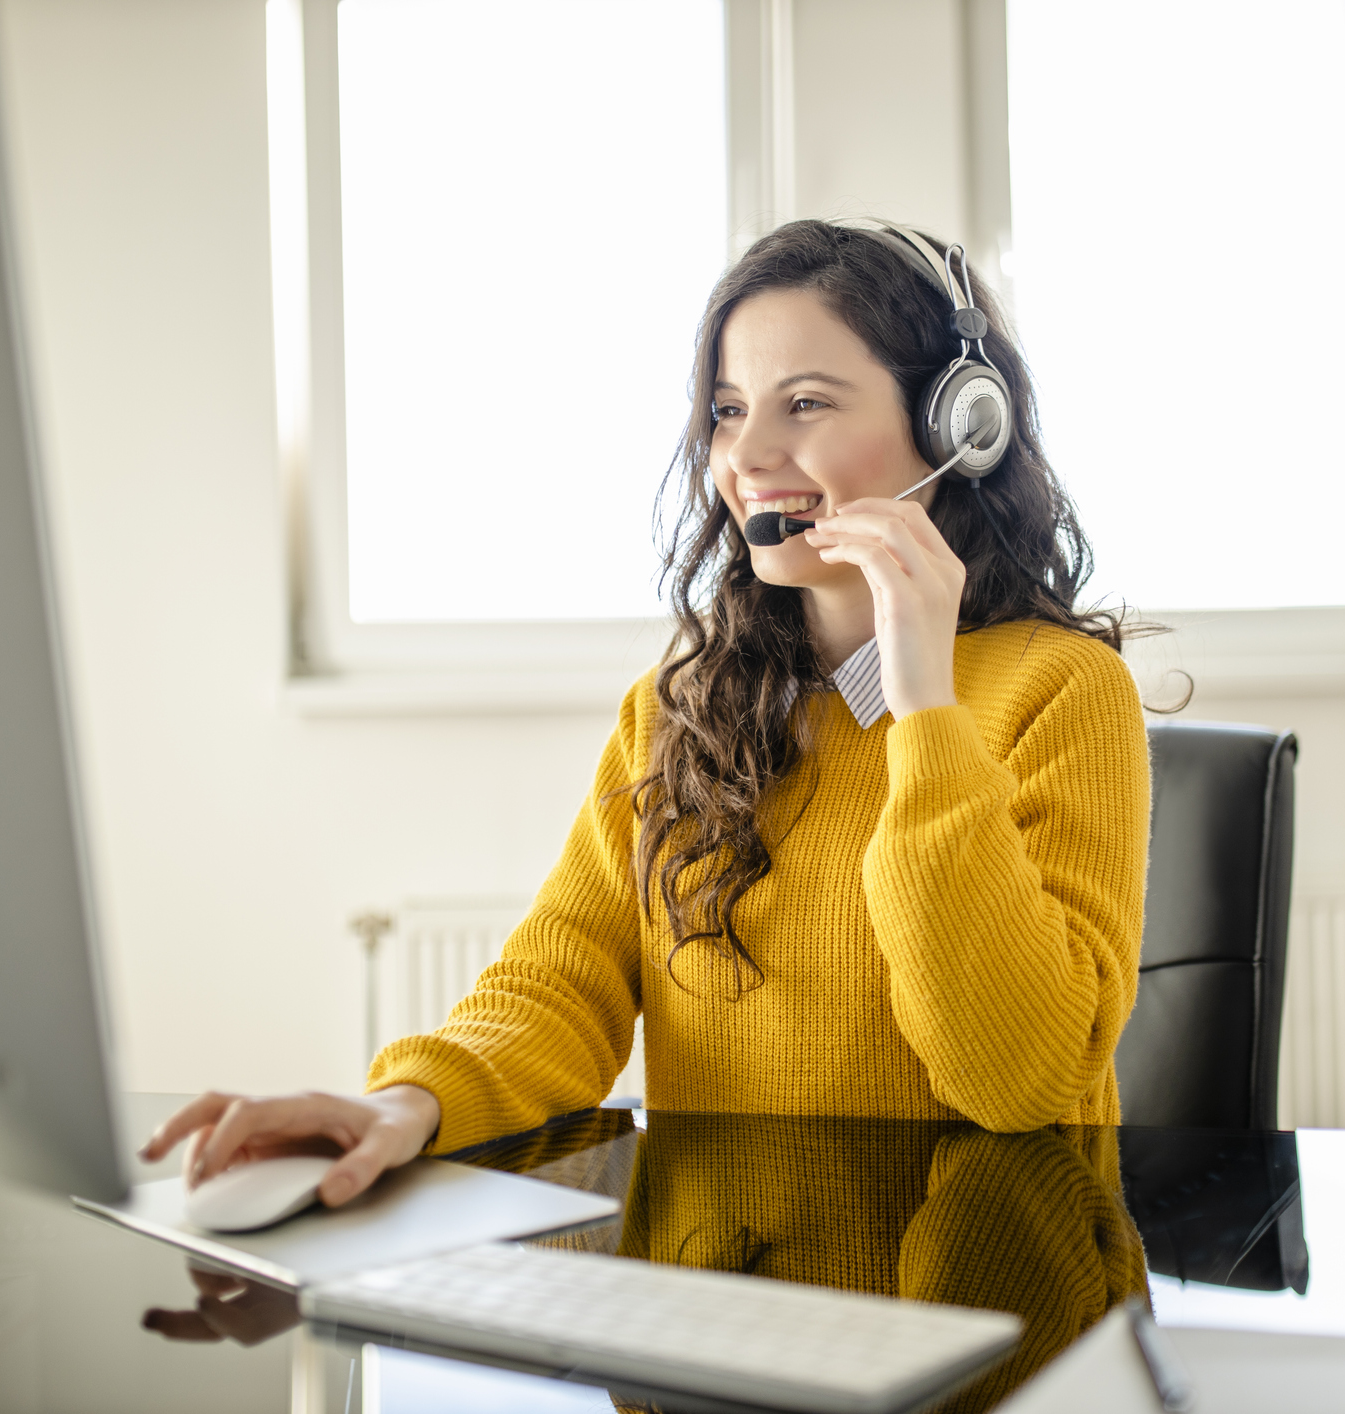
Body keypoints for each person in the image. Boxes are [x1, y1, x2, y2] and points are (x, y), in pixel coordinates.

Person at [140, 220, 1153, 1209]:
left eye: (805, 403)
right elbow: (562, 980)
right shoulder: (680, 710)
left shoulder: (1061, 693)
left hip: (987, 1319)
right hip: (718, 1329)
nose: (748, 453)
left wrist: (923, 702)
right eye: (726, 409)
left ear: (958, 428)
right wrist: (407, 1103)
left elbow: (1017, 1080)